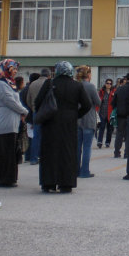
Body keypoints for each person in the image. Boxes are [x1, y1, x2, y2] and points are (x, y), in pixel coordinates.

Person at [35, 61, 91, 193]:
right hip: (69, 123)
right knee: (67, 152)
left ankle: (48, 183)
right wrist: (75, 115)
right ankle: (66, 183)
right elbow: (87, 105)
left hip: (50, 122)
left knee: (49, 152)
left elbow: (38, 102)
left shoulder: (49, 83)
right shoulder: (77, 85)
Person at [0, 59, 28, 188]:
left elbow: (15, 101)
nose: (15, 71)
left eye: (16, 69)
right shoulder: (0, 83)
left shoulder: (9, 83)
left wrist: (21, 113)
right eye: (13, 69)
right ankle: (3, 178)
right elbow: (9, 101)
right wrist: (24, 111)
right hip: (6, 121)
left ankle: (10, 177)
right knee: (5, 150)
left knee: (11, 151)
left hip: (13, 121)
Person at [76, 66, 101, 178]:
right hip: (89, 118)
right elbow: (98, 102)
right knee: (87, 147)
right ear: (89, 74)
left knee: (77, 147)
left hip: (77, 119)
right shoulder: (91, 86)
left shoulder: (76, 85)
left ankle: (76, 170)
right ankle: (84, 171)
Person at [26, 68, 52, 165]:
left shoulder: (32, 84)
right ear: (49, 75)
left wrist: (33, 108)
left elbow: (28, 100)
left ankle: (33, 158)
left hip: (35, 112)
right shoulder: (49, 83)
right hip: (47, 112)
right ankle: (45, 157)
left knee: (36, 135)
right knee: (47, 135)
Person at [112, 73, 129, 158]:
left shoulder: (119, 89)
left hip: (120, 115)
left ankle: (117, 152)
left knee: (119, 134)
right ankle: (127, 153)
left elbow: (113, 102)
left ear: (126, 79)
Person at [97, 78, 115, 149]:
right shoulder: (101, 91)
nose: (109, 85)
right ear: (105, 84)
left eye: (110, 83)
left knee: (110, 129)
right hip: (102, 112)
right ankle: (99, 142)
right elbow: (98, 100)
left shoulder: (113, 92)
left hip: (110, 113)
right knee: (101, 127)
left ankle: (107, 142)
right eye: (107, 83)